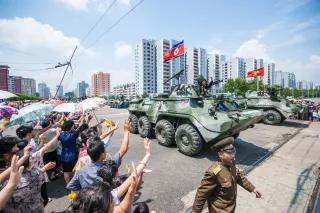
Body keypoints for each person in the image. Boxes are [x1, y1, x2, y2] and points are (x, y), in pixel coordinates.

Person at [192, 137, 261, 213]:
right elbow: (202, 193)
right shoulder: (214, 171)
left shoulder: (231, 162)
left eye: (233, 151)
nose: (233, 155)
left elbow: (239, 177)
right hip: (219, 210)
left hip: (231, 207)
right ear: (220, 154)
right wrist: (195, 211)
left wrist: (252, 189)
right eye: (229, 153)